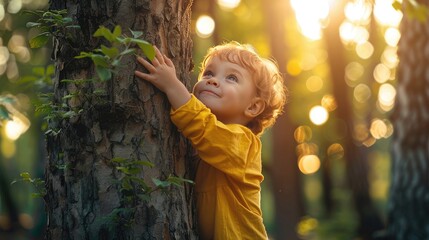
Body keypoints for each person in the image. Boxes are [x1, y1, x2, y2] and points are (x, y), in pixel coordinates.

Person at [135, 42, 287, 240]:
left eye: (232, 78)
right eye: (208, 74)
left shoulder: (244, 144)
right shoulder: (203, 145)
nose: (213, 81)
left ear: (253, 107)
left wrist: (172, 85)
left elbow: (204, 127)